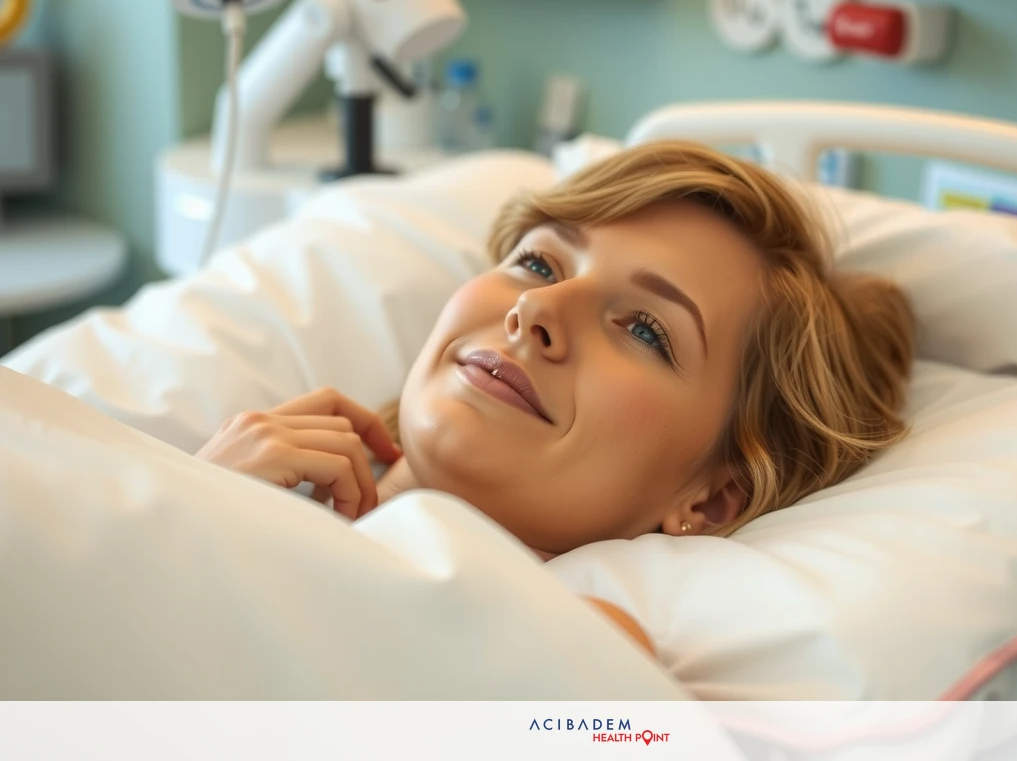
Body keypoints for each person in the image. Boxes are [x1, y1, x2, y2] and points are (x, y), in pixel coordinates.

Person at [195, 141, 916, 654]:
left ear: (712, 500)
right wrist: (197, 504)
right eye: (538, 261)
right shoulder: (225, 486)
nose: (538, 309)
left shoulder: (580, 658)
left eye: (643, 329)